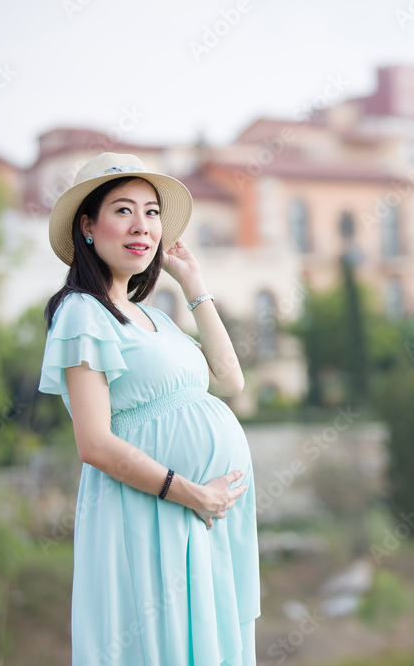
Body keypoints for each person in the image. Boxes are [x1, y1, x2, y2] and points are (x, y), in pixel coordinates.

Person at [37, 152, 259, 665]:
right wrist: (191, 494)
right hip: (151, 511)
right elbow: (93, 442)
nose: (143, 226)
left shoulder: (152, 316)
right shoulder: (81, 313)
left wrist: (194, 284)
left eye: (153, 212)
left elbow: (230, 379)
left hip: (196, 515)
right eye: (123, 210)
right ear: (87, 227)